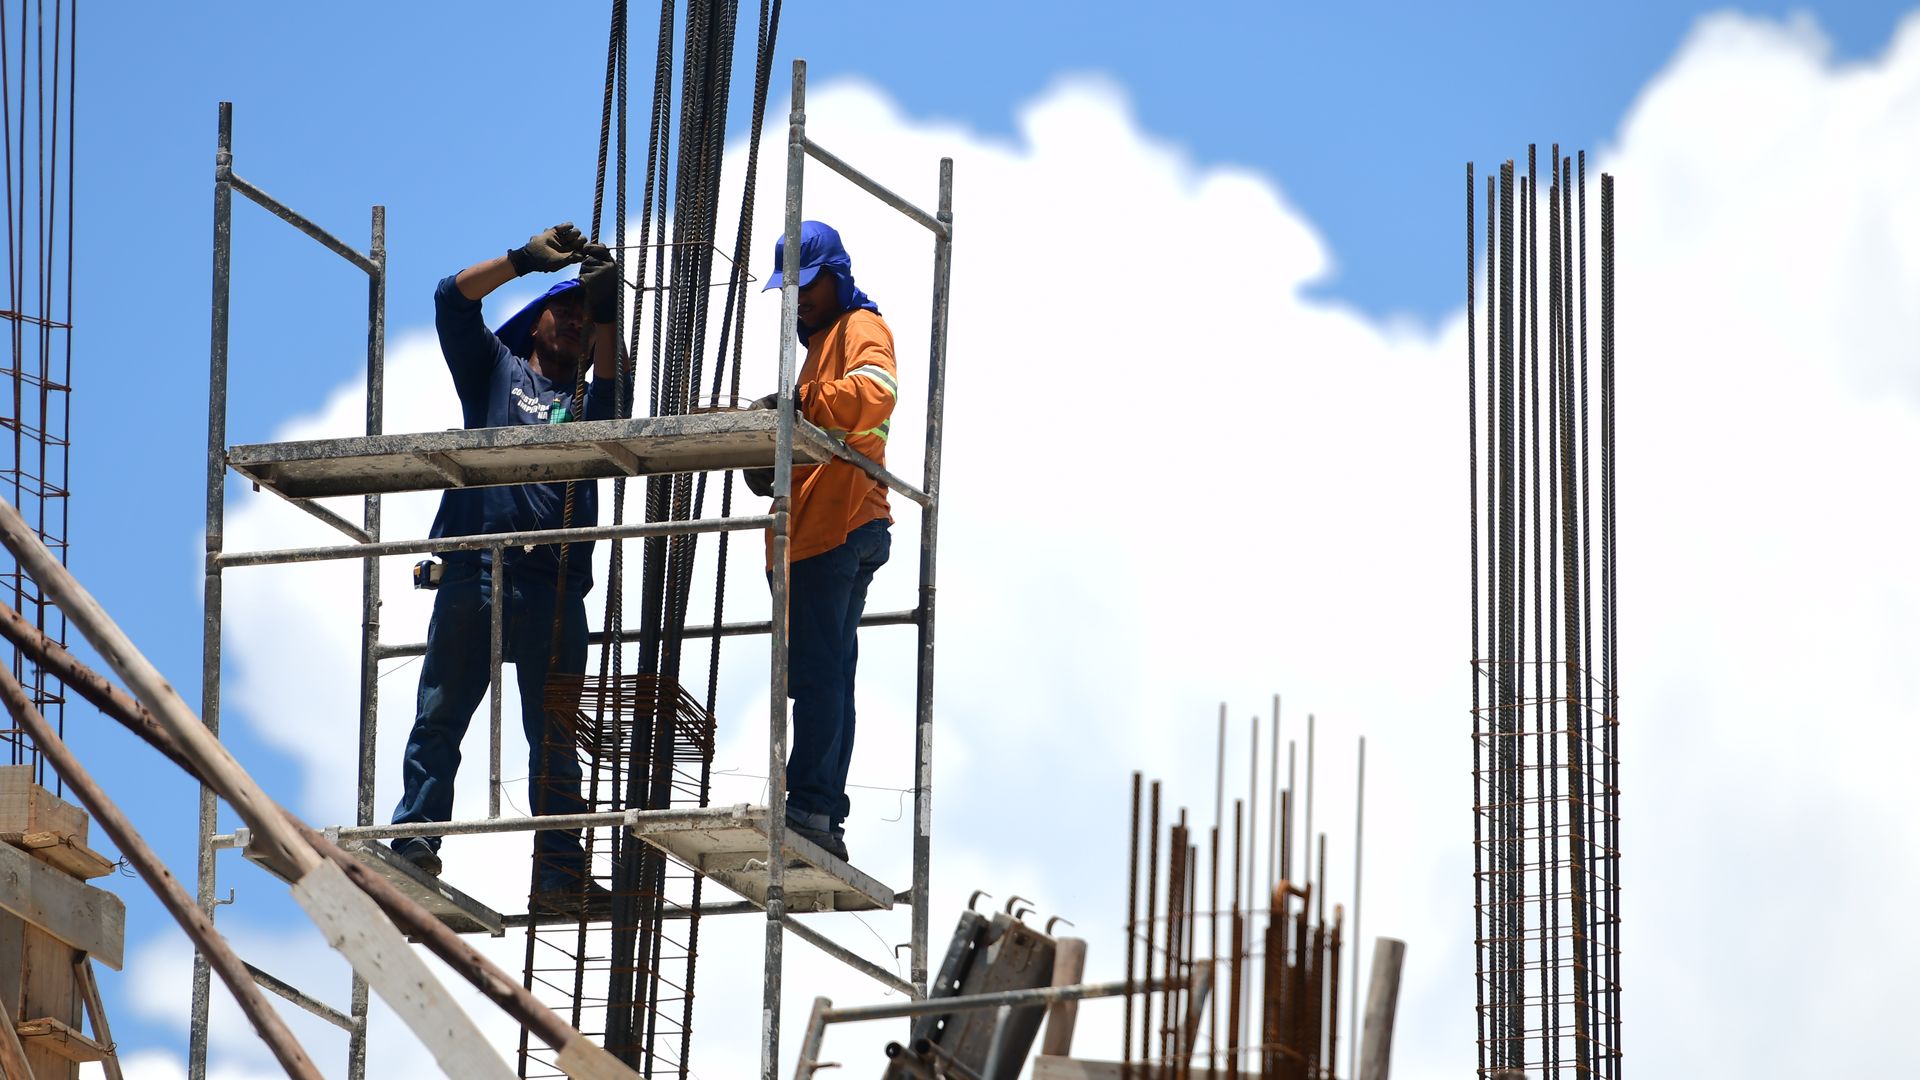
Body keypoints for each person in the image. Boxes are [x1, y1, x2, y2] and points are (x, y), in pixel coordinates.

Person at [389, 223, 620, 914]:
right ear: (536, 322)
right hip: (478, 573)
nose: (575, 322)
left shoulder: (588, 407)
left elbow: (617, 394)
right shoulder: (495, 373)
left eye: (584, 316)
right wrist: (521, 261)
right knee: (441, 716)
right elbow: (450, 299)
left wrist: (608, 312)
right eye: (564, 310)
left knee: (557, 739)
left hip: (554, 588)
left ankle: (558, 874)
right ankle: (414, 843)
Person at [757, 221, 898, 863]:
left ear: (837, 276)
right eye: (792, 289)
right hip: (826, 524)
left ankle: (811, 806)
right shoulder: (821, 344)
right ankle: (820, 810)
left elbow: (875, 394)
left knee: (818, 677)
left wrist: (801, 404)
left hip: (838, 524)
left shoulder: (859, 328)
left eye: (809, 285)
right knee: (830, 675)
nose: (801, 299)